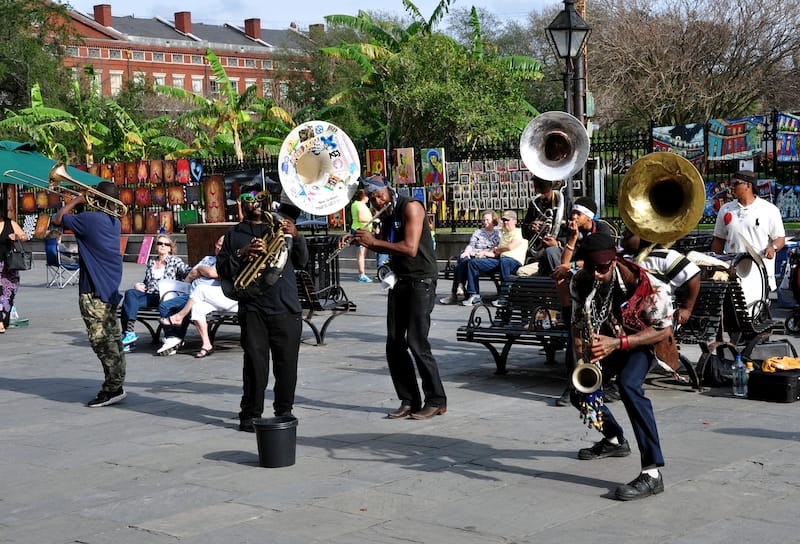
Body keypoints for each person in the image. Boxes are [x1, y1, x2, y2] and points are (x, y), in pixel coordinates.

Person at [568, 231, 674, 501]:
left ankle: (652, 473)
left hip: (644, 342)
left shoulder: (647, 285)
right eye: (590, 267)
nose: (597, 274)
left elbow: (662, 330)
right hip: (609, 340)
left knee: (628, 386)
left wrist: (618, 344)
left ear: (614, 261)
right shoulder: (582, 281)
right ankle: (614, 439)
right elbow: (578, 322)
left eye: (602, 268)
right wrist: (582, 352)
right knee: (580, 391)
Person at [346, 174, 447, 420]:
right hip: (400, 280)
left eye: (379, 195)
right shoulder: (389, 213)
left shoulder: (411, 207)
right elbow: (384, 241)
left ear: (390, 190)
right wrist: (356, 237)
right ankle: (409, 399)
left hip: (420, 280)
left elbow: (409, 248)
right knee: (394, 343)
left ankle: (436, 400)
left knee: (416, 341)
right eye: (372, 198)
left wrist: (372, 244)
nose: (376, 202)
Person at [216, 191, 308, 432]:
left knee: (287, 365)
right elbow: (222, 269)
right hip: (252, 307)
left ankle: (284, 411)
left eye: (258, 198)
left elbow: (302, 262)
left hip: (285, 305)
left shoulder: (281, 226)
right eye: (248, 199)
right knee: (255, 365)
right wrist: (242, 253)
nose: (254, 202)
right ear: (241, 205)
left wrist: (296, 236)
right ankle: (249, 414)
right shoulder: (234, 234)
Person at [52, 184, 127, 407]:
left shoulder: (91, 219)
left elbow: (58, 219)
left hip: (94, 289)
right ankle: (116, 383)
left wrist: (77, 200)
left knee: (101, 340)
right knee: (113, 337)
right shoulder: (114, 221)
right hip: (107, 285)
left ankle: (113, 387)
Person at [551, 197, 616, 407]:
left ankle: (605, 381)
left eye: (577, 214)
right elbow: (563, 263)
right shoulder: (574, 231)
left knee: (599, 335)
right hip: (582, 288)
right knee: (575, 337)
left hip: (602, 289)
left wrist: (571, 267)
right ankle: (573, 385)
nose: (573, 217)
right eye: (572, 214)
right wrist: (571, 238)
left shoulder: (603, 231)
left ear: (588, 215)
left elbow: (600, 259)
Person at [156, 236, 235, 357]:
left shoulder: (228, 261)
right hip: (195, 296)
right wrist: (188, 284)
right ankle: (206, 344)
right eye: (217, 244)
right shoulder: (208, 259)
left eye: (221, 245)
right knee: (197, 308)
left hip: (219, 296)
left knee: (198, 290)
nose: (218, 247)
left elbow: (211, 273)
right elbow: (192, 273)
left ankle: (176, 329)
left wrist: (201, 270)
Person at [711, 170, 785, 291]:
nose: (731, 187)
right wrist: (716, 265)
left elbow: (780, 238)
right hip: (733, 273)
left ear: (748, 186)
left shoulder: (769, 210)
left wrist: (773, 248)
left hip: (759, 274)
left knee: (757, 308)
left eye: (736, 184)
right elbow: (718, 240)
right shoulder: (725, 209)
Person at [120, 235, 190, 350]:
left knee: (127, 305)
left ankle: (129, 339)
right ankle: (129, 333)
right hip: (150, 295)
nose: (162, 246)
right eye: (160, 243)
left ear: (170, 248)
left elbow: (186, 271)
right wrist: (138, 285)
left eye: (166, 244)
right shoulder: (151, 262)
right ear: (156, 247)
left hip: (165, 296)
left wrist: (198, 270)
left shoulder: (174, 260)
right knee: (130, 294)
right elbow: (147, 282)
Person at [621, 228, 701, 327]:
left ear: (646, 237)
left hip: (659, 318)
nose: (623, 234)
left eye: (630, 232)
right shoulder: (624, 257)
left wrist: (687, 309)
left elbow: (693, 275)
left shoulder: (665, 256)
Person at [461, 210, 527, 306]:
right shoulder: (504, 235)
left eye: (508, 220)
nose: (505, 222)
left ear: (515, 221)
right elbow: (495, 253)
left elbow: (510, 247)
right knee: (473, 263)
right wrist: (484, 253)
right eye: (504, 220)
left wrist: (497, 249)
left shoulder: (519, 232)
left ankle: (505, 296)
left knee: (505, 262)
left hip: (514, 262)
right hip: (500, 260)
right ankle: (474, 295)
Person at [439, 210, 500, 305]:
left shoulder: (498, 234)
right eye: (483, 220)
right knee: (464, 256)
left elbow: (496, 249)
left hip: (486, 258)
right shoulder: (478, 232)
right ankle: (460, 288)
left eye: (487, 220)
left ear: (494, 220)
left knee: (461, 266)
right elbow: (471, 244)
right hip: (473, 255)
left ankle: (457, 290)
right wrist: (467, 251)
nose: (485, 222)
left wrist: (483, 253)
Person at [522, 176, 564, 262]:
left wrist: (558, 244)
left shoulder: (563, 202)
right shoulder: (534, 204)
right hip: (537, 256)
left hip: (558, 254)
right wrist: (530, 227)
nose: (538, 191)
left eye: (541, 187)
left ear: (550, 185)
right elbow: (524, 232)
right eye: (536, 187)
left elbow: (569, 231)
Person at [0, 215, 29, 333]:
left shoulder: (10, 223)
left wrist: (17, 236)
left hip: (8, 267)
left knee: (7, 295)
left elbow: (25, 236)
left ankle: (2, 321)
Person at [350, 189, 374, 283]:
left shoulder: (357, 204)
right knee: (361, 253)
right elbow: (360, 218)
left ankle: (362, 273)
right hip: (360, 230)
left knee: (362, 253)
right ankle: (361, 274)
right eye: (367, 196)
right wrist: (372, 220)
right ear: (364, 196)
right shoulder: (358, 204)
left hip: (363, 230)